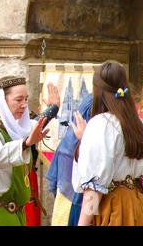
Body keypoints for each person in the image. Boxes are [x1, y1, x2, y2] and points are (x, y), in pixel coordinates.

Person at [72, 61, 143, 226]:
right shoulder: (138, 123)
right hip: (140, 205)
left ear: (98, 90)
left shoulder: (100, 124)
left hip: (114, 208)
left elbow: (94, 189)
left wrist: (82, 224)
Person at [0, 76, 58, 226]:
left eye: (26, 99)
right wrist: (26, 144)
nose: (24, 105)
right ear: (1, 101)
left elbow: (34, 126)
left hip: (13, 215)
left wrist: (53, 108)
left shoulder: (13, 129)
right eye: (18, 99)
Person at [46, 94, 92, 226]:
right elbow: (93, 185)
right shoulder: (73, 148)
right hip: (78, 205)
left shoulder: (73, 144)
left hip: (84, 204)